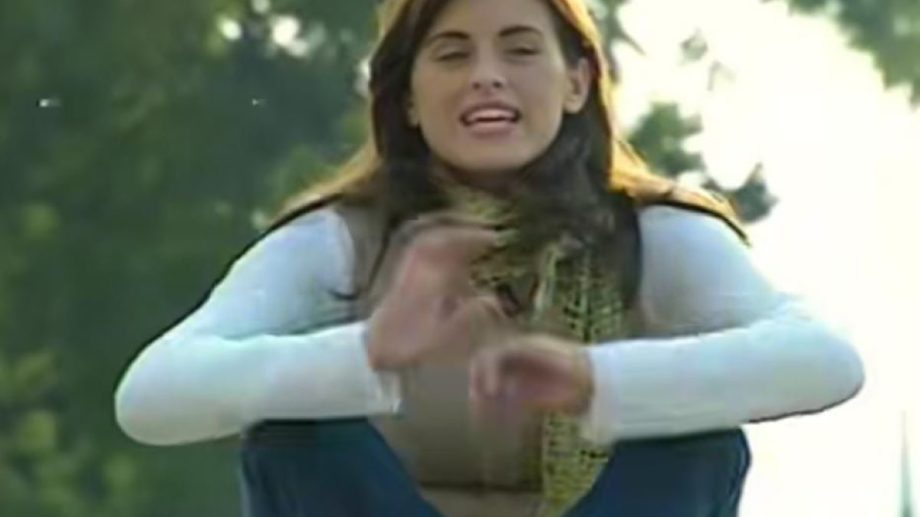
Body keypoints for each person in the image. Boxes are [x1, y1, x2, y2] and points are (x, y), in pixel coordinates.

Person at [113, 0, 865, 515]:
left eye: (520, 48)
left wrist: (592, 378)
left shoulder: (654, 233)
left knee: (697, 440)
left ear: (577, 82)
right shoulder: (343, 239)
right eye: (452, 53)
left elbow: (827, 361)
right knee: (294, 434)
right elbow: (150, 396)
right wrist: (367, 353)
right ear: (408, 98)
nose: (486, 74)